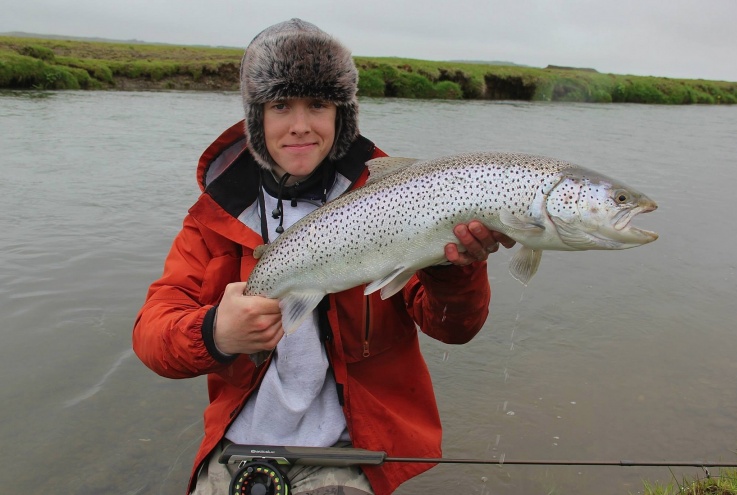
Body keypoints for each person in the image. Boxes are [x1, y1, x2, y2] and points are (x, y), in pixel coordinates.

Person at [133, 18, 514, 495]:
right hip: (236, 449)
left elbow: (454, 329)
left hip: (346, 455)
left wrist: (456, 270)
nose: (300, 126)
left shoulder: (403, 196)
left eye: (317, 105)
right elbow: (151, 334)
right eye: (279, 106)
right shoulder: (215, 216)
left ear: (342, 115)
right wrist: (216, 332)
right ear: (256, 119)